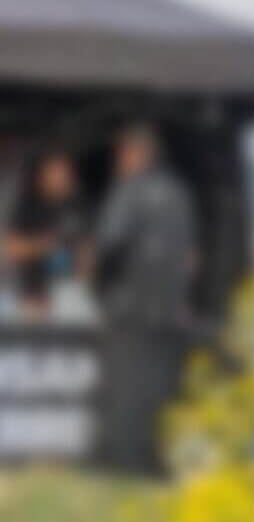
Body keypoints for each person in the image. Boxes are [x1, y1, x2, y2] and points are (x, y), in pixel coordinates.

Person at [93, 122, 197, 475]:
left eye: (123, 154)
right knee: (161, 386)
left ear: (136, 155)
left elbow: (109, 243)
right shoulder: (178, 193)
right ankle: (158, 460)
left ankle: (125, 461)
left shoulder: (129, 191)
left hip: (132, 307)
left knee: (126, 384)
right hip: (168, 309)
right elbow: (190, 258)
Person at [3, 147, 85, 317]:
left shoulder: (78, 205)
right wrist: (46, 245)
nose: (59, 178)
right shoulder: (27, 206)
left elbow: (88, 249)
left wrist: (82, 277)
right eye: (54, 172)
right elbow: (10, 249)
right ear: (42, 176)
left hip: (69, 292)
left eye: (63, 172)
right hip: (30, 295)